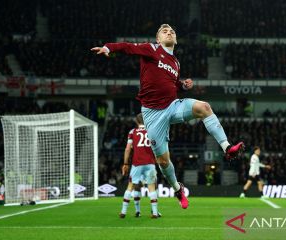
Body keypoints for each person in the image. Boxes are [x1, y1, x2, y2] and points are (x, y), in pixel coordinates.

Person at [91, 24, 245, 209]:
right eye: (164, 31)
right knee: (163, 161)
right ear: (158, 39)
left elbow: (171, 84)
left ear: (176, 40)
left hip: (172, 106)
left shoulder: (176, 63)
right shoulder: (151, 49)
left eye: (172, 31)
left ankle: (227, 148)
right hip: (153, 114)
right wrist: (109, 47)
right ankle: (177, 189)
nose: (169, 32)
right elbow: (128, 47)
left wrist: (182, 86)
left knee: (204, 107)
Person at [120, 113, 160, 219]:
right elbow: (157, 148)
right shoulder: (152, 131)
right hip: (150, 164)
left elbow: (128, 149)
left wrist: (125, 163)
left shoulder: (132, 132)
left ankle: (123, 211)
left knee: (131, 186)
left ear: (136, 121)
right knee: (151, 187)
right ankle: (155, 212)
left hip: (137, 164)